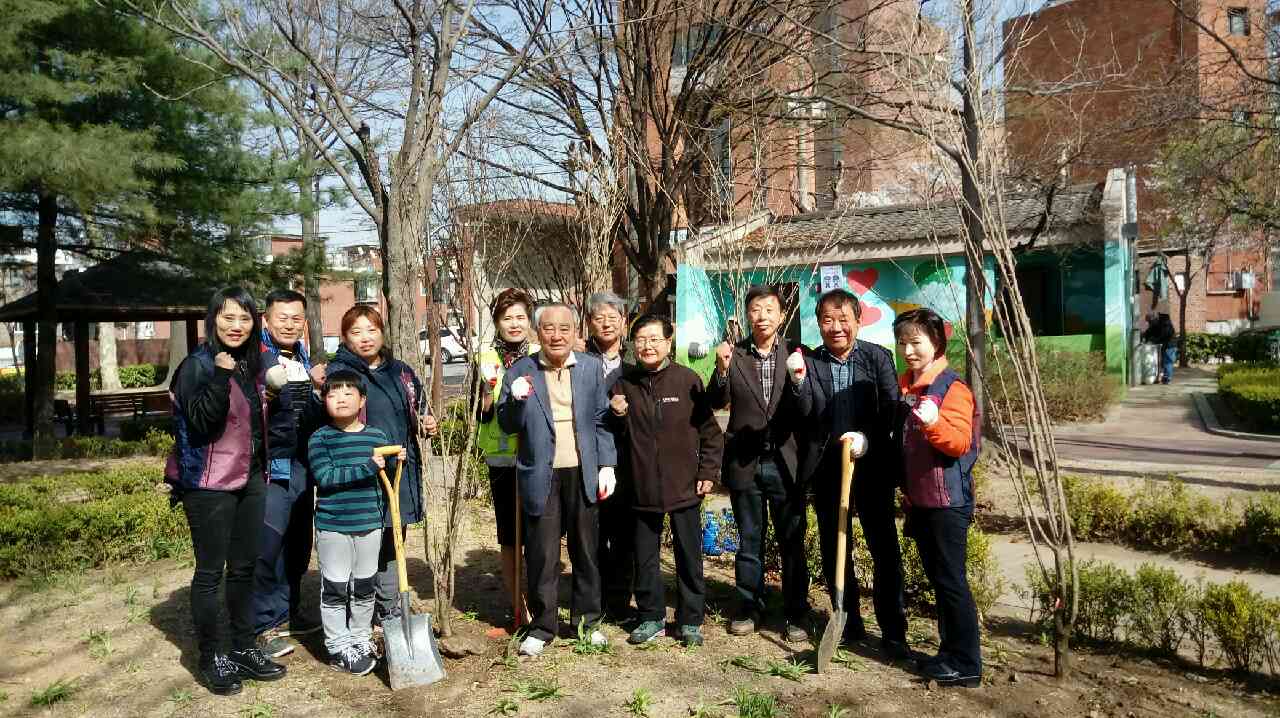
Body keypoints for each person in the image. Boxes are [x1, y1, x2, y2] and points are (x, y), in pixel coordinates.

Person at [169, 288, 286, 696]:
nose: (236, 326)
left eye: (245, 318)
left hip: (251, 478)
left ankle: (242, 646)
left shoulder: (250, 365)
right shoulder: (197, 366)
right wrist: (219, 374)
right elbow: (201, 423)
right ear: (212, 320)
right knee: (208, 573)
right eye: (228, 318)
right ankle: (211, 655)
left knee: (243, 568)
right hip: (208, 483)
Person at [497, 303, 618, 657]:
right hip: (541, 473)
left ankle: (587, 621)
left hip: (584, 470)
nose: (556, 335)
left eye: (564, 328)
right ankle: (543, 625)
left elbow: (601, 420)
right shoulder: (521, 370)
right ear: (538, 333)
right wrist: (516, 401)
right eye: (548, 328)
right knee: (542, 553)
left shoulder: (591, 368)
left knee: (586, 551)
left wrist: (607, 464)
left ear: (575, 331)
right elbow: (507, 424)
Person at [796, 289, 910, 659]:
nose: (836, 327)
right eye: (828, 320)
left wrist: (868, 438)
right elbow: (806, 412)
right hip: (828, 467)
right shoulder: (810, 362)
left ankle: (893, 629)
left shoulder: (878, 358)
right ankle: (848, 620)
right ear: (819, 324)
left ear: (858, 321)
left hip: (872, 466)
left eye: (844, 319)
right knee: (834, 546)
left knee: (884, 548)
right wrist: (797, 383)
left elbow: (892, 410)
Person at [610, 315, 723, 647]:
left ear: (668, 342)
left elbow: (711, 434)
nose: (647, 346)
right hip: (641, 486)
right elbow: (615, 438)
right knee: (645, 556)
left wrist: (707, 473)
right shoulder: (623, 384)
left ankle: (690, 620)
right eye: (641, 339)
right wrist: (615, 414)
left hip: (684, 485)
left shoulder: (688, 381)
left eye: (654, 339)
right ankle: (651, 617)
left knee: (689, 556)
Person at [708, 285, 811, 643]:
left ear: (782, 315)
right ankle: (749, 605)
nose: (762, 316)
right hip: (745, 462)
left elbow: (807, 407)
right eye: (755, 309)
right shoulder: (733, 354)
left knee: (791, 539)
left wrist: (799, 382)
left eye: (769, 309)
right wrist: (720, 371)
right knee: (749, 540)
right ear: (747, 315)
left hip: (786, 462)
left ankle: (797, 611)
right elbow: (715, 401)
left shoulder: (799, 353)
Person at [326, 306, 438, 625]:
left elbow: (419, 408)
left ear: (382, 333)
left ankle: (388, 606)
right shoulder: (341, 374)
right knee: (362, 541)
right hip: (360, 471)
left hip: (398, 468)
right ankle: (360, 606)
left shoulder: (400, 371)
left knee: (393, 538)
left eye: (372, 330)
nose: (365, 338)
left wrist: (427, 422)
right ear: (345, 338)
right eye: (356, 332)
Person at [893, 308, 981, 688]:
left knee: (950, 581)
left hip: (947, 502)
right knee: (939, 579)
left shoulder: (952, 388)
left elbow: (960, 443)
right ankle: (950, 653)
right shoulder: (908, 385)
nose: (909, 350)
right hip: (922, 501)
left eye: (916, 342)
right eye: (902, 343)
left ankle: (966, 663)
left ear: (936, 343)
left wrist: (933, 423)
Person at [308, 369, 397, 676]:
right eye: (333, 394)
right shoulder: (320, 438)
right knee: (334, 586)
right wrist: (366, 467)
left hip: (370, 523)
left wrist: (398, 458)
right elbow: (325, 477)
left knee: (364, 584)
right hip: (334, 526)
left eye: (349, 393)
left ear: (362, 401)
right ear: (324, 401)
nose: (341, 399)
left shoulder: (376, 436)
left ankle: (359, 635)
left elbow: (385, 469)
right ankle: (336, 644)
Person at [253, 289, 327, 658]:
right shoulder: (255, 358)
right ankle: (263, 625)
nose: (289, 324)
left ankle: (289, 610)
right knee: (269, 542)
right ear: (266, 320)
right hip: (271, 465)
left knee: (298, 541)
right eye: (281, 317)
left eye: (296, 318)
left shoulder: (303, 358)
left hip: (303, 464)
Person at [474, 288, 538, 627]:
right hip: (501, 459)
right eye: (506, 318)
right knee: (510, 536)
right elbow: (479, 414)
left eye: (520, 317)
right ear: (497, 322)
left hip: (536, 456)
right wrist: (485, 394)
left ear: (529, 320)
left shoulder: (542, 353)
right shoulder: (485, 358)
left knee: (539, 532)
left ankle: (542, 601)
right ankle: (518, 606)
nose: (514, 324)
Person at [584, 291, 636, 621]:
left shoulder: (634, 367)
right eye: (599, 317)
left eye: (613, 317)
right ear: (589, 324)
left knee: (624, 532)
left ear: (624, 323)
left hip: (627, 459)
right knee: (592, 531)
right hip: (588, 457)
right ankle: (594, 599)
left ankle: (619, 602)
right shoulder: (578, 361)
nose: (606, 323)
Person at [1142, 311, 1177, 384]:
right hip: (1166, 344)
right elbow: (1150, 331)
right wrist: (1144, 336)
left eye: (1150, 321)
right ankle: (1164, 378)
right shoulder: (1157, 322)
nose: (1149, 323)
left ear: (1153, 318)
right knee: (1165, 361)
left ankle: (1167, 379)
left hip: (1170, 345)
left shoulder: (1165, 321)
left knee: (1168, 361)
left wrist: (1155, 340)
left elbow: (1165, 334)